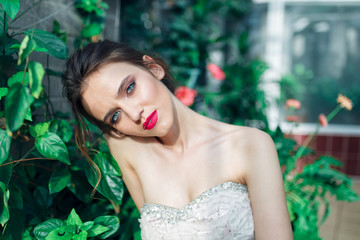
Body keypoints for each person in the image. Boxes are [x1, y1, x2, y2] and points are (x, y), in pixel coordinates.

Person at [62, 40, 293, 239]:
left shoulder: (250, 146)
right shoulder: (126, 149)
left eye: (130, 88)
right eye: (115, 115)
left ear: (153, 68)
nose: (134, 114)